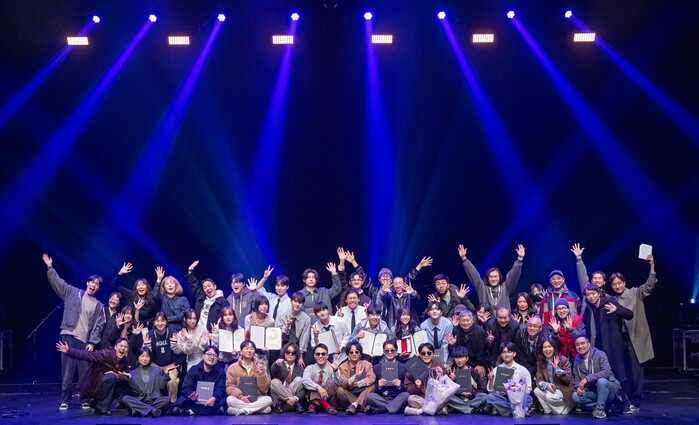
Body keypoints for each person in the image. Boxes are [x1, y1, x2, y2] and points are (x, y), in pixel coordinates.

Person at [43, 253, 106, 410]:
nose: (94, 285)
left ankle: (84, 399)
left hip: (84, 342)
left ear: (98, 288)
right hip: (69, 336)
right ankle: (65, 400)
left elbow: (98, 327)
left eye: (97, 284)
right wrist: (50, 267)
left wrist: (92, 342)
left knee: (84, 373)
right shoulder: (73, 293)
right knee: (67, 372)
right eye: (92, 282)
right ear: (87, 283)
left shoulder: (99, 306)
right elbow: (59, 283)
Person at [609, 254, 656, 411]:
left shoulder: (635, 293)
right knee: (624, 371)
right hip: (620, 339)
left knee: (636, 371)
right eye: (614, 284)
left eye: (619, 283)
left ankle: (635, 400)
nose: (617, 286)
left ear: (624, 283)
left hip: (635, 337)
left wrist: (651, 265)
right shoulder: (612, 300)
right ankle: (626, 399)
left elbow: (649, 286)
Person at [55, 338, 131, 416]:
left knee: (125, 383)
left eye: (125, 347)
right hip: (95, 385)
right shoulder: (106, 354)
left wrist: (118, 375)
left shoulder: (124, 360)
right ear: (115, 347)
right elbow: (87, 355)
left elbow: (126, 376)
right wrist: (69, 351)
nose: (123, 348)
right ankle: (102, 408)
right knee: (110, 377)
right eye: (121, 346)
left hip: (106, 385)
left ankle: (97, 404)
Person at [579, 283, 633, 390]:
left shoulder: (609, 302)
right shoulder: (589, 308)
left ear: (599, 293)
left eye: (593, 293)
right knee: (601, 373)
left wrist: (617, 310)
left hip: (613, 345)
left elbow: (630, 314)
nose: (591, 296)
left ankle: (622, 397)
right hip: (598, 345)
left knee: (617, 372)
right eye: (588, 295)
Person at [571, 336, 631, 418]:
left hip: (608, 390)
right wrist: (578, 388)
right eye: (577, 344)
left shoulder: (600, 354)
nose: (580, 346)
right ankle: (602, 404)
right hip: (594, 391)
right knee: (575, 396)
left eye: (582, 343)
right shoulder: (577, 359)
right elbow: (577, 379)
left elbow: (606, 372)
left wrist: (587, 379)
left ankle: (600, 410)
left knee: (601, 381)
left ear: (589, 344)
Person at [458, 244, 525, 311]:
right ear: (487, 278)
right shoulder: (482, 289)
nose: (493, 279)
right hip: (486, 318)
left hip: (504, 317)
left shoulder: (505, 288)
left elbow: (513, 275)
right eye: (491, 277)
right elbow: (474, 275)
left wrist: (519, 259)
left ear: (500, 278)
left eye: (495, 276)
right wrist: (464, 259)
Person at [477, 342, 533, 416]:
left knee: (529, 399)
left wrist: (513, 392)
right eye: (504, 352)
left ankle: (501, 410)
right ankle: (517, 410)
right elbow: (490, 391)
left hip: (517, 398)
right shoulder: (496, 370)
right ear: (501, 354)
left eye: (509, 352)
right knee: (489, 397)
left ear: (514, 354)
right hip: (501, 397)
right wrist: (491, 380)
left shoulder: (522, 370)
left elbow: (528, 389)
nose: (506, 355)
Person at [377, 256, 432, 328]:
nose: (398, 285)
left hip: (410, 326)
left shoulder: (408, 295)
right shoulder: (390, 296)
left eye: (400, 283)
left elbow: (417, 299)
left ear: (404, 284)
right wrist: (383, 292)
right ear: (393, 285)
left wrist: (413, 293)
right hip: (394, 326)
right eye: (395, 283)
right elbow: (384, 299)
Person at [173, 345, 227, 415]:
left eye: (215, 355)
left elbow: (220, 388)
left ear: (217, 359)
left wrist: (214, 398)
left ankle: (191, 411)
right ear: (203, 356)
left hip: (212, 400)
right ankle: (209, 411)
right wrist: (191, 395)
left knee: (223, 400)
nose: (212, 357)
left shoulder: (221, 372)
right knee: (183, 400)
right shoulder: (193, 369)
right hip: (195, 400)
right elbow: (186, 387)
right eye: (209, 354)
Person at [225, 340, 273, 415]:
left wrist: (261, 374)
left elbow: (264, 389)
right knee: (229, 399)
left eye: (252, 349)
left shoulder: (259, 367)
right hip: (239, 399)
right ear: (241, 351)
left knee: (268, 399)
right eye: (246, 348)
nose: (249, 351)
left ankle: (241, 411)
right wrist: (241, 397)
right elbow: (229, 386)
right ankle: (255, 409)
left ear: (254, 352)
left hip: (257, 398)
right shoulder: (232, 367)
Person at [142, 312, 180, 402]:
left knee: (173, 382)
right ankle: (156, 402)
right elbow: (146, 354)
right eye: (157, 321)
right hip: (155, 364)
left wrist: (174, 344)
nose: (160, 323)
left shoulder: (173, 333)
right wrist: (147, 345)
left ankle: (172, 403)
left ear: (166, 322)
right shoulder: (149, 334)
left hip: (170, 364)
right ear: (154, 323)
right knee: (152, 381)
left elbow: (178, 352)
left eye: (162, 321)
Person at [122, 347, 171, 417]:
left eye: (147, 356)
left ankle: (141, 411)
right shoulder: (133, 373)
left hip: (154, 400)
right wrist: (130, 378)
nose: (144, 359)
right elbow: (136, 391)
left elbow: (161, 387)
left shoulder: (156, 369)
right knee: (125, 398)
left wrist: (166, 374)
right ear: (138, 357)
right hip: (140, 400)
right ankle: (152, 410)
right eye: (142, 356)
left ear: (150, 358)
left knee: (167, 399)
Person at [366, 339, 410, 414]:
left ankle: (382, 409)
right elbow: (374, 387)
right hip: (382, 397)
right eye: (387, 351)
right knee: (370, 396)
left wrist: (400, 386)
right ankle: (396, 408)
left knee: (406, 395)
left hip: (397, 397)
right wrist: (379, 386)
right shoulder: (377, 367)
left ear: (396, 351)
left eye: (392, 350)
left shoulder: (403, 367)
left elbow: (406, 386)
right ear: (383, 352)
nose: (389, 353)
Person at [111, 262, 160, 327]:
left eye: (143, 285)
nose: (141, 287)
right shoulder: (129, 295)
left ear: (147, 287)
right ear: (136, 288)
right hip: (127, 326)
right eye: (138, 285)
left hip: (143, 328)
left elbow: (155, 313)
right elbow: (114, 285)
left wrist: (148, 322)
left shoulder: (151, 301)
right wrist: (120, 273)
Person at [403, 342, 447, 415]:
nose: (426, 355)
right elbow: (407, 389)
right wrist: (416, 386)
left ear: (433, 354)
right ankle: (436, 410)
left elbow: (446, 388)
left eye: (429, 353)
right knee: (410, 399)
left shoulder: (440, 368)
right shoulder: (412, 369)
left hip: (436, 399)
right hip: (421, 399)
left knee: (446, 399)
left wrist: (440, 377)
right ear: (419, 354)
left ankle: (419, 411)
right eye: (423, 353)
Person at [533, 337, 574, 415]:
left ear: (554, 348)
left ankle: (563, 410)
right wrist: (546, 385)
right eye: (544, 347)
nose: (547, 349)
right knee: (536, 391)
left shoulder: (563, 360)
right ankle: (548, 410)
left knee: (549, 396)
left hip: (563, 389)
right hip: (550, 389)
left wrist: (557, 369)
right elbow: (539, 379)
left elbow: (569, 380)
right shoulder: (541, 361)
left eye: (549, 346)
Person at [185, 260, 229, 329]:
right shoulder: (202, 298)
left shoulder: (223, 301)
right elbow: (194, 287)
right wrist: (190, 273)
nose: (208, 288)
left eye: (209, 286)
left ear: (215, 286)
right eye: (205, 287)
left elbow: (226, 318)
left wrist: (216, 330)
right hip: (198, 331)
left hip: (214, 332)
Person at [336, 342, 376, 414]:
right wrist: (355, 376)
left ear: (360, 354)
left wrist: (358, 384)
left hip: (363, 392)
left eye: (356, 352)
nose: (354, 354)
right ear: (348, 354)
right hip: (350, 394)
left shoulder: (367, 364)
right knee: (339, 389)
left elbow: (371, 378)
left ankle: (354, 405)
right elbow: (344, 383)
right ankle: (360, 406)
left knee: (372, 386)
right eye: (351, 352)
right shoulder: (342, 366)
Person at [302, 343, 342, 414]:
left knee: (332, 382)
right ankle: (326, 406)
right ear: (314, 356)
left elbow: (339, 383)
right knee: (312, 382)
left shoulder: (332, 367)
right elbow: (305, 381)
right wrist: (318, 387)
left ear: (327, 355)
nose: (320, 356)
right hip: (326, 406)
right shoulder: (310, 368)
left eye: (323, 354)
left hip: (329, 400)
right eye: (318, 354)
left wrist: (335, 370)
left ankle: (314, 404)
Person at [446, 346, 486, 414]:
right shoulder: (452, 372)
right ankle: (471, 408)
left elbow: (482, 390)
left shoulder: (474, 373)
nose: (459, 360)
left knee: (484, 397)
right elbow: (447, 391)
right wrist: (452, 381)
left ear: (467, 358)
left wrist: (471, 393)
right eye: (456, 357)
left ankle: (463, 407)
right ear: (454, 359)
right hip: (458, 398)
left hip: (472, 398)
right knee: (447, 397)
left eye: (461, 357)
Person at [446, 310, 487, 377]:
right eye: (463, 320)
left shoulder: (480, 331)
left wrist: (480, 364)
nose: (465, 323)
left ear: (472, 320)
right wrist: (452, 345)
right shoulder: (455, 330)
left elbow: (482, 350)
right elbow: (452, 350)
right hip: (459, 361)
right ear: (459, 321)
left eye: (467, 320)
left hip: (475, 362)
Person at [270, 342, 306, 413]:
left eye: (293, 353)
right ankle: (296, 404)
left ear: (296, 355)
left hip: (291, 399)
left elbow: (303, 388)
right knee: (274, 382)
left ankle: (290, 401)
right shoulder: (279, 364)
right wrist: (277, 363)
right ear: (284, 353)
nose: (290, 354)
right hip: (278, 401)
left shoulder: (300, 367)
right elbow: (273, 370)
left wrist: (295, 398)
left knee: (299, 379)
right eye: (288, 352)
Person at [153, 266, 190, 331]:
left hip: (179, 330)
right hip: (163, 330)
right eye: (167, 284)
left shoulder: (183, 299)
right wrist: (159, 279)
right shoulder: (161, 299)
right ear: (164, 288)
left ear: (176, 285)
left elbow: (185, 313)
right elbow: (154, 296)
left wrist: (170, 319)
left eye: (172, 283)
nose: (170, 285)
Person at [278, 291, 311, 363]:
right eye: (295, 301)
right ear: (291, 301)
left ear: (303, 304)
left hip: (298, 347)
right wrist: (287, 326)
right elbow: (279, 333)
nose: (297, 304)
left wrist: (300, 355)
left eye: (300, 302)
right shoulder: (282, 316)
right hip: (283, 345)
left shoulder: (306, 319)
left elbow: (304, 338)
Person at [420, 301, 453, 365]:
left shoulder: (447, 324)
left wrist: (443, 365)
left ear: (441, 312)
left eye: (437, 309)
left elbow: (445, 346)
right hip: (429, 354)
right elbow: (425, 346)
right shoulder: (423, 326)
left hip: (445, 354)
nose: (434, 311)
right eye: (432, 309)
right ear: (428, 313)